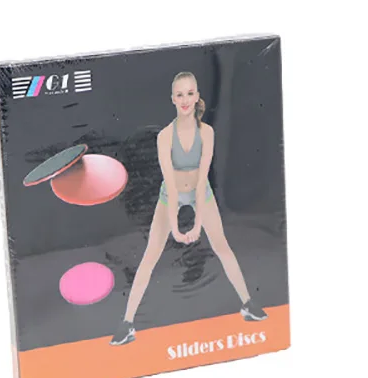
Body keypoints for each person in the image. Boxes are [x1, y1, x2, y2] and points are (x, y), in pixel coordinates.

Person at [113, 71, 267, 346]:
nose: (185, 99)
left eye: (190, 93)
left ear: (197, 97)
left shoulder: (206, 132)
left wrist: (196, 224)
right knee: (150, 256)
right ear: (173, 99)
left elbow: (203, 177)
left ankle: (248, 303)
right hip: (169, 195)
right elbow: (171, 186)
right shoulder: (164, 136)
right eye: (179, 94)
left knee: (222, 246)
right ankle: (127, 324)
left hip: (201, 193)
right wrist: (175, 227)